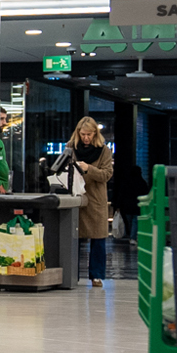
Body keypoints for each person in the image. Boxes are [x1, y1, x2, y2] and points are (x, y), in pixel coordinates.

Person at [69, 116, 113, 287]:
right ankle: (71, 275)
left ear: (95, 133)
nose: (86, 138)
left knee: (98, 239)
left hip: (95, 200)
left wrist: (89, 169)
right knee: (73, 238)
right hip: (76, 198)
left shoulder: (104, 151)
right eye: (83, 134)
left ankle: (97, 275)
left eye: (89, 134)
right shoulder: (70, 148)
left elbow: (106, 174)